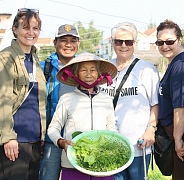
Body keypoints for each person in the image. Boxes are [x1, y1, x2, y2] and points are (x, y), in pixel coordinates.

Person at [100, 22, 160, 180]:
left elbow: (155, 104)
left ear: (135, 43)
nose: (123, 46)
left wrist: (150, 129)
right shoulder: (104, 68)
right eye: (119, 41)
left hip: (137, 144)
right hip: (110, 144)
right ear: (113, 43)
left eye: (129, 42)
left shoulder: (146, 69)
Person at [47, 52, 118, 180]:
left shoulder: (106, 99)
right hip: (73, 163)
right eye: (83, 70)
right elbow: (53, 128)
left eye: (93, 70)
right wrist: (61, 142)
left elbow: (111, 127)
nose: (89, 74)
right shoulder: (66, 99)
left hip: (101, 163)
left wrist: (111, 146)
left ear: (98, 74)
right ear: (75, 74)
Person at [0, 8, 46, 180]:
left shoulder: (34, 58)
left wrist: (41, 134)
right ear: (15, 29)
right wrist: (8, 137)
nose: (31, 32)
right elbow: (2, 100)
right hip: (15, 139)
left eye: (35, 28)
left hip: (34, 139)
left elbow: (37, 102)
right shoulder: (6, 58)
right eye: (26, 27)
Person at [155, 19, 184, 180]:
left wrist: (178, 138)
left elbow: (182, 107)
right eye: (160, 42)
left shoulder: (181, 65)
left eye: (169, 41)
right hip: (177, 130)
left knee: (183, 176)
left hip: (181, 130)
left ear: (180, 40)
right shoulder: (177, 62)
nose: (164, 46)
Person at [39, 24, 80, 180]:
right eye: (63, 40)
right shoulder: (43, 68)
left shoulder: (84, 68)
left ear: (78, 44)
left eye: (72, 40)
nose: (68, 45)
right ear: (55, 42)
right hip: (52, 139)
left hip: (78, 139)